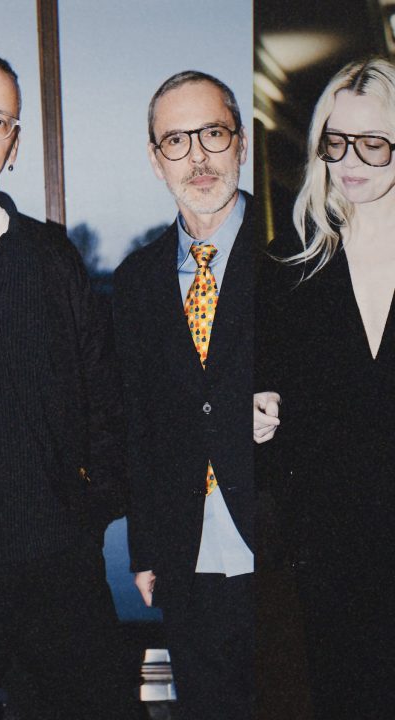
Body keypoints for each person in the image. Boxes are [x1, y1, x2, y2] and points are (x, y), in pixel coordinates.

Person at [0, 51, 142, 720]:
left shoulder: (51, 255)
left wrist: (85, 515)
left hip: (55, 568)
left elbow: (103, 396)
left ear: (13, 144)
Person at [255, 57, 395, 720]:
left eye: (373, 144)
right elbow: (267, 399)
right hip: (335, 553)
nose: (349, 162)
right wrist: (261, 412)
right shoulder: (290, 263)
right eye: (335, 143)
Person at [114, 71, 254, 720]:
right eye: (176, 141)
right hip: (184, 551)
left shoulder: (293, 253)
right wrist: (145, 551)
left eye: (212, 134)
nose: (197, 157)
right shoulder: (135, 281)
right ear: (155, 159)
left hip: (282, 543)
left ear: (240, 142)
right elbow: (138, 423)